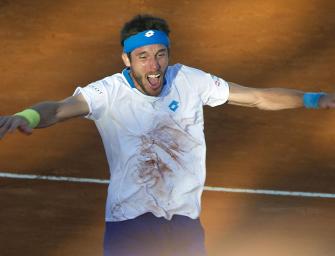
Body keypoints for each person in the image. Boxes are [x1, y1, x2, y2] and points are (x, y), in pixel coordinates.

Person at [0, 14, 334, 255]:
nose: (154, 65)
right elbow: (58, 109)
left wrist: (311, 98)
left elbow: (258, 96)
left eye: (160, 54)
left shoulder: (189, 80)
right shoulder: (107, 92)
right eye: (143, 57)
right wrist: (26, 115)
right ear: (126, 59)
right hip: (129, 226)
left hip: (185, 225)